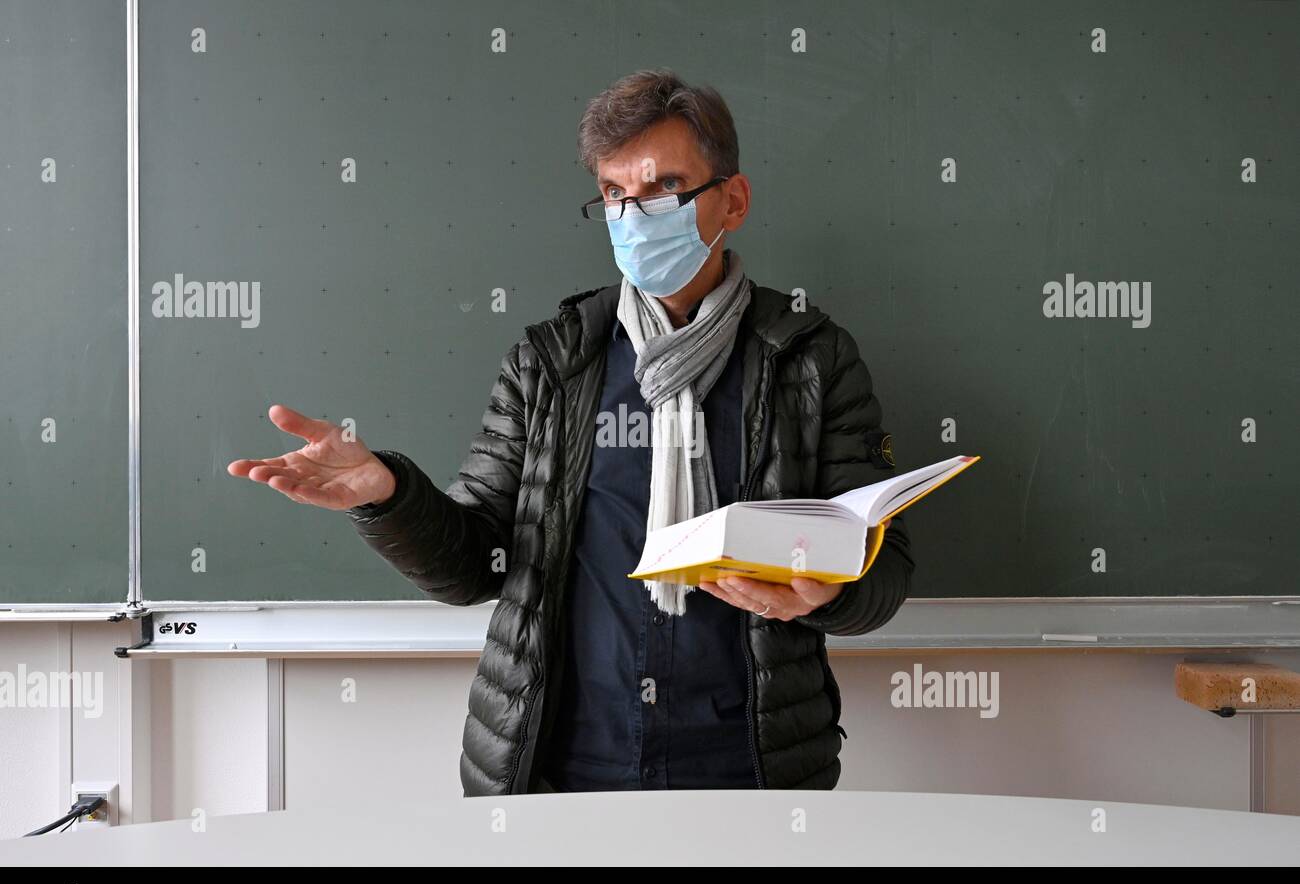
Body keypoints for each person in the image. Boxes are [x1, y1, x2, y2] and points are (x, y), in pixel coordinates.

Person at [228, 69, 914, 795]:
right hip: (560, 764)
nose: (633, 215)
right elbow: (476, 566)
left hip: (749, 767)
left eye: (660, 189)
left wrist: (826, 594)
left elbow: (886, 563)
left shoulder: (808, 359)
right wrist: (388, 496)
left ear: (732, 201)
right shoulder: (551, 362)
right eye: (615, 195)